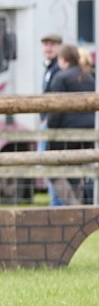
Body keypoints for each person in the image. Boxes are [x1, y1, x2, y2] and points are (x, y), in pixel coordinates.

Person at [45, 43, 96, 205]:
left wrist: (50, 130)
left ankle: (74, 205)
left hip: (65, 134)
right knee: (81, 172)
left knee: (53, 170)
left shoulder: (60, 77)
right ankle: (84, 204)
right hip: (88, 132)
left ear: (63, 59)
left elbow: (55, 110)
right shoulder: (89, 77)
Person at [39, 33, 64, 205]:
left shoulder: (59, 70)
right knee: (47, 166)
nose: (48, 48)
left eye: (52, 45)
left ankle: (57, 205)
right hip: (47, 123)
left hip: (53, 125)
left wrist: (48, 121)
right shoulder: (49, 68)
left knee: (51, 166)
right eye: (45, 44)